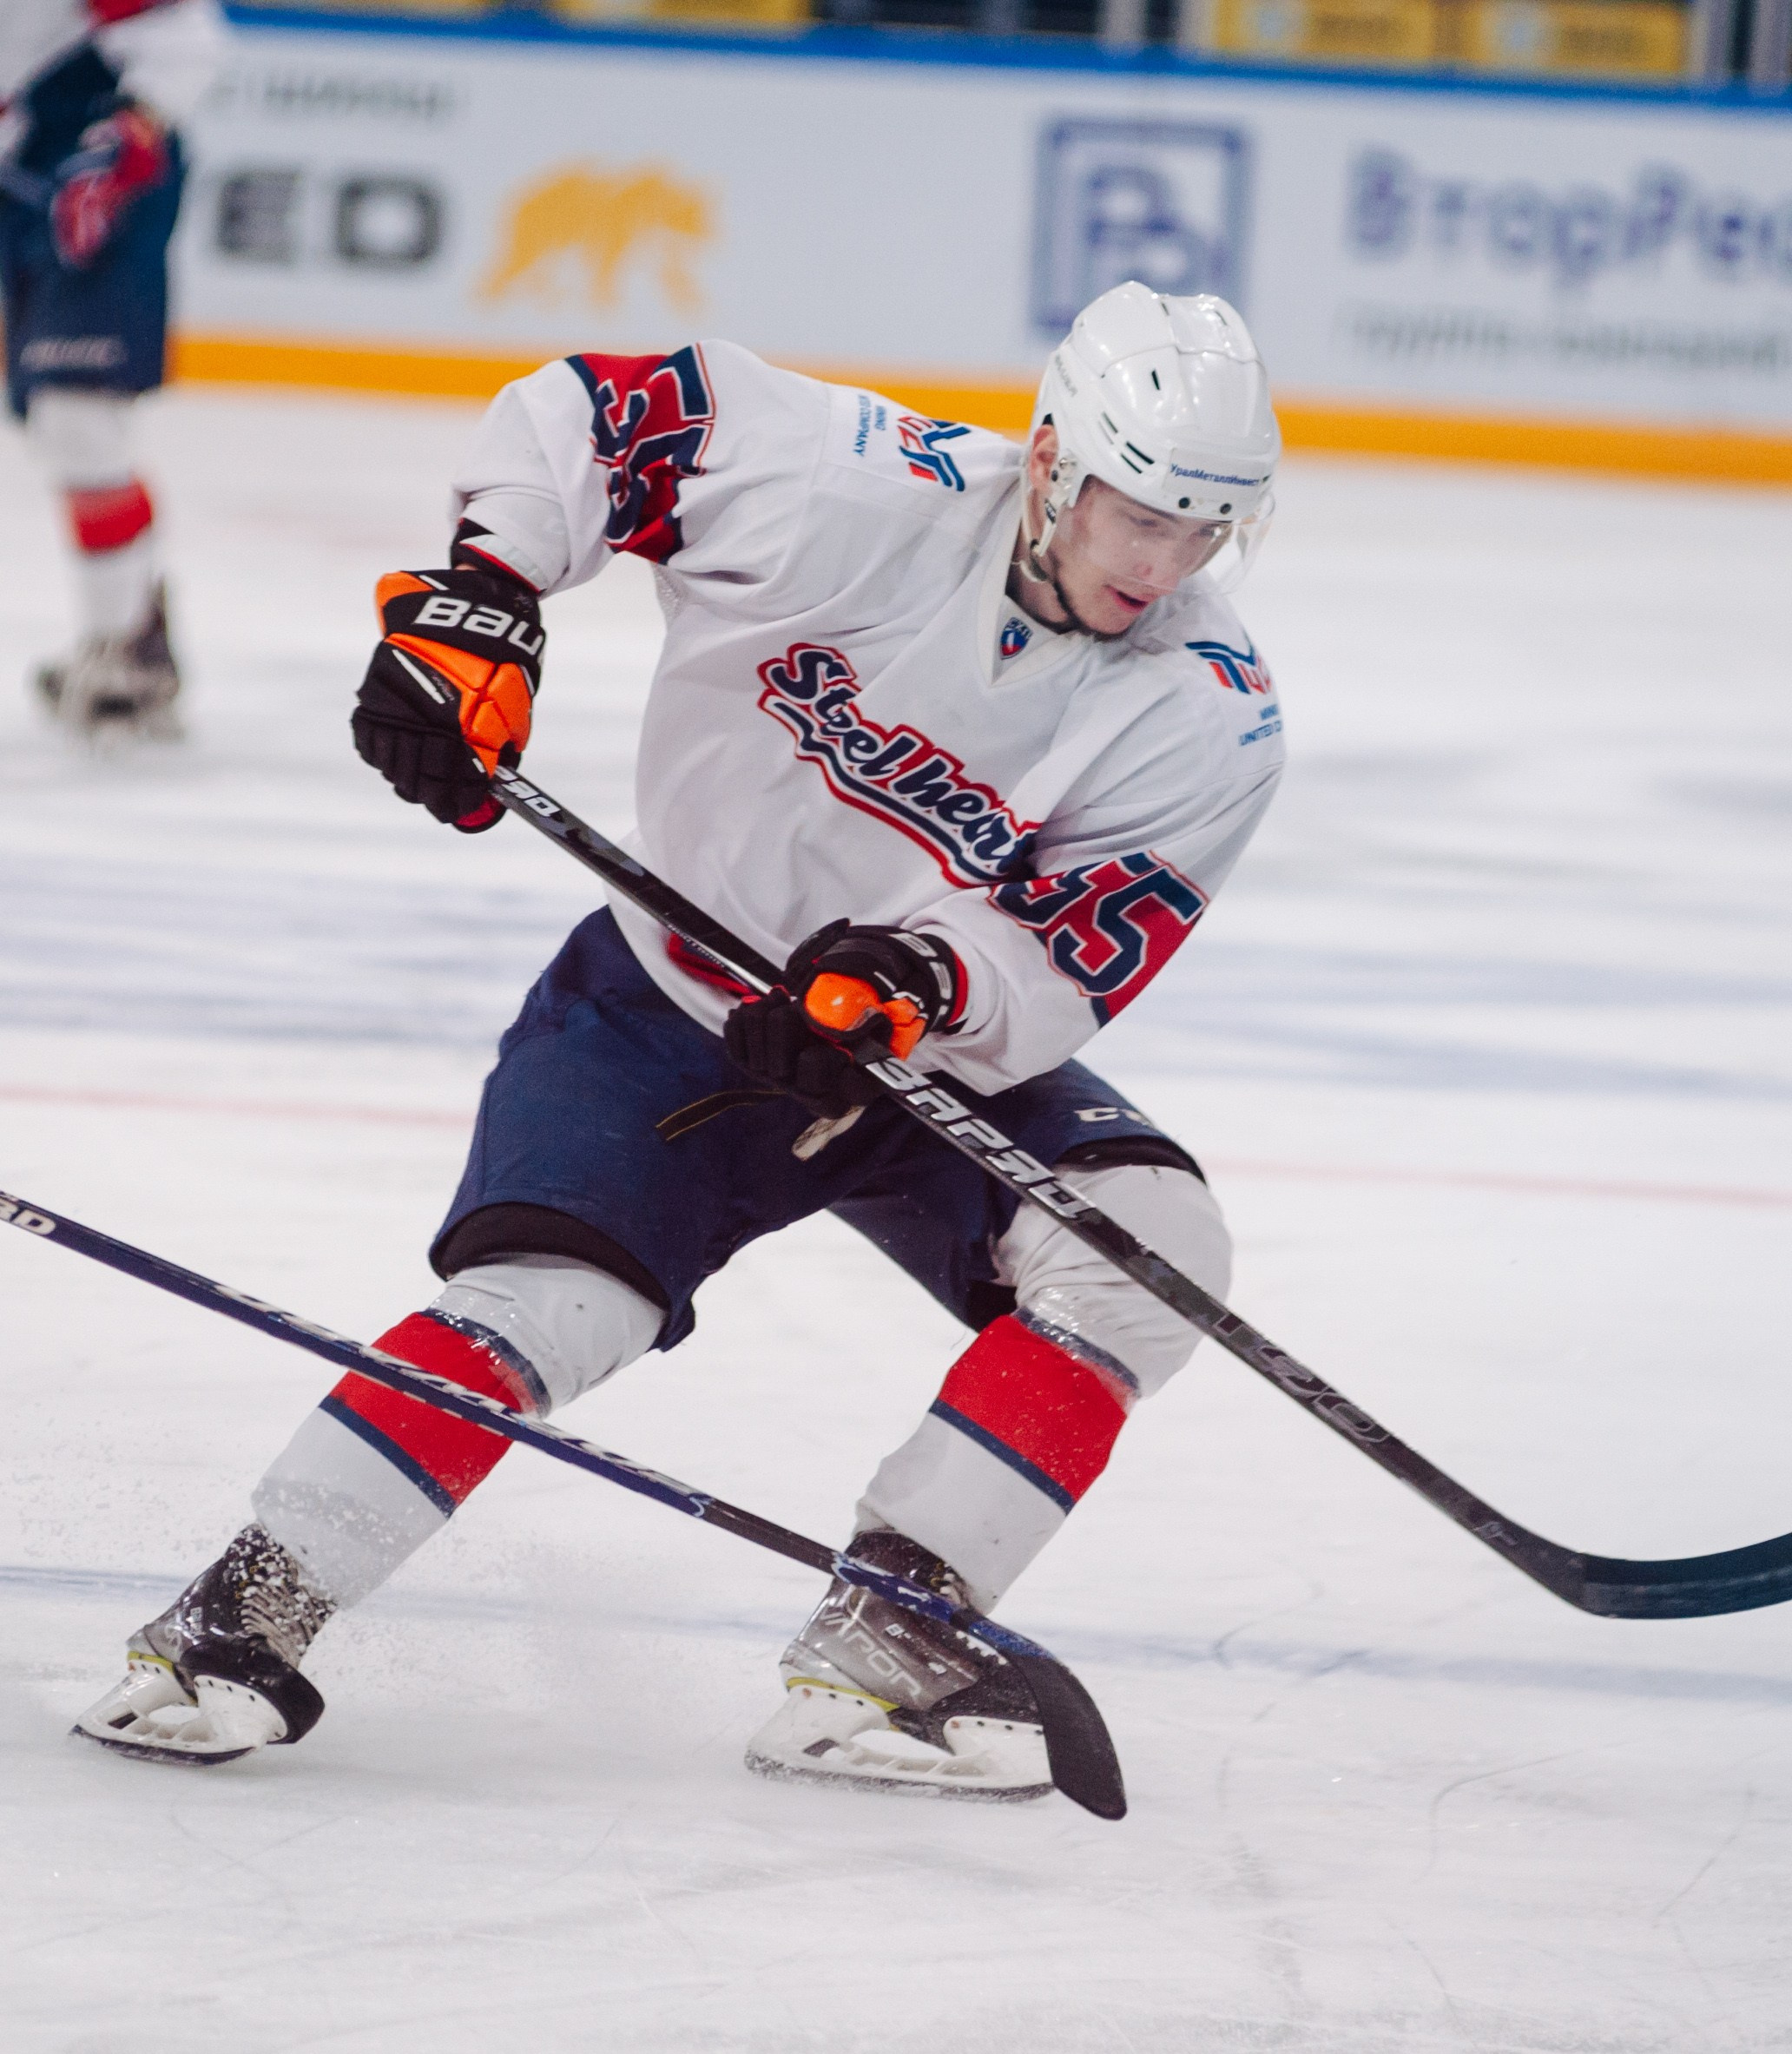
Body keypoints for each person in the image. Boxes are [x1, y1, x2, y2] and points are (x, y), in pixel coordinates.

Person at [76, 282, 1286, 1800]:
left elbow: (1072, 943)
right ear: (1051, 458)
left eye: (1204, 531)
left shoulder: (1212, 708)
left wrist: (924, 983)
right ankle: (233, 1626)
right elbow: (595, 413)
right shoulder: (854, 484)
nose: (1162, 563)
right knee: (551, 1306)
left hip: (903, 1055)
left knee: (1147, 1242)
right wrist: (487, 596)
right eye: (1137, 514)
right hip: (661, 1003)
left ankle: (889, 1647)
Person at [1, 0, 225, 738]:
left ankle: (123, 645)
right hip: (22, 167)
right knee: (59, 423)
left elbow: (182, 33)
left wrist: (136, 126)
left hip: (91, 162)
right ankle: (133, 629)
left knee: (77, 416)